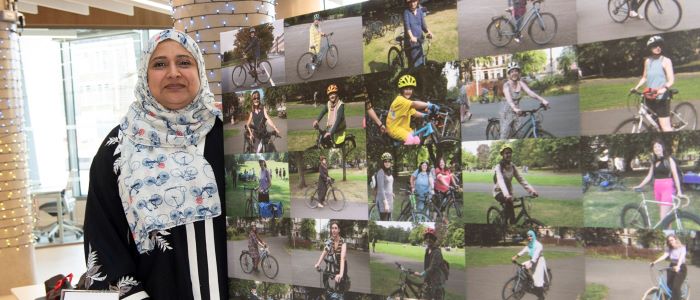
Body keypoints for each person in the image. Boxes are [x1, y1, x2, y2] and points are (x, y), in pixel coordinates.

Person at [83, 29, 227, 299]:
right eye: (159, 64)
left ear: (200, 71)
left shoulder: (231, 136)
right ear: (145, 75)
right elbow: (103, 241)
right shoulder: (118, 147)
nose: (173, 72)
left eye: (184, 62)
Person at [633, 139, 684, 224]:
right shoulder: (654, 161)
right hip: (657, 188)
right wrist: (640, 185)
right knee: (666, 217)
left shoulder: (669, 159)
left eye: (659, 146)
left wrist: (679, 191)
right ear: (653, 149)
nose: (657, 148)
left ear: (662, 147)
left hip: (668, 188)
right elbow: (649, 176)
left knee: (663, 217)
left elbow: (675, 175)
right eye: (655, 147)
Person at [631, 36, 675, 132]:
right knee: (655, 125)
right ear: (650, 48)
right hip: (649, 97)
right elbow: (644, 77)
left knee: (665, 128)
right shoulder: (647, 61)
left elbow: (671, 80)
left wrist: (663, 89)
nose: (658, 47)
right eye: (655, 46)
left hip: (662, 98)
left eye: (660, 45)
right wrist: (636, 87)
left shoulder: (666, 61)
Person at [500, 62, 550, 139]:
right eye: (512, 71)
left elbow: (530, 92)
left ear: (519, 73)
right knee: (505, 135)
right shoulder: (506, 85)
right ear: (509, 74)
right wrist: (514, 108)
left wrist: (542, 100)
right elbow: (509, 100)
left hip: (518, 112)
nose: (514, 73)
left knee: (520, 134)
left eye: (516, 71)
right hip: (507, 112)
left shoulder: (520, 83)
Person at [386, 75, 440, 145]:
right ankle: (402, 154)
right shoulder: (400, 100)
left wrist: (424, 115)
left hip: (403, 128)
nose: (408, 91)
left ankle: (407, 152)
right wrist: (429, 105)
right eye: (406, 89)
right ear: (401, 90)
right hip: (394, 129)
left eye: (410, 89)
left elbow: (414, 113)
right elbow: (414, 104)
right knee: (410, 139)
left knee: (417, 140)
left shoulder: (406, 102)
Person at [493, 144, 538, 224]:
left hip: (508, 194)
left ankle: (507, 220)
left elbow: (521, 179)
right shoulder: (498, 167)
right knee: (511, 215)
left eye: (510, 152)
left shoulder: (512, 166)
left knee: (510, 210)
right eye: (506, 153)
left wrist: (532, 191)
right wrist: (506, 195)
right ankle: (506, 224)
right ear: (502, 155)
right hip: (499, 192)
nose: (508, 154)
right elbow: (500, 180)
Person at [511, 230, 549, 300]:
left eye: (531, 235)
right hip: (532, 260)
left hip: (539, 261)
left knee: (537, 279)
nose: (529, 237)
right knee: (521, 266)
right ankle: (525, 281)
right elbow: (523, 251)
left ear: (534, 236)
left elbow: (536, 255)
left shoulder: (539, 245)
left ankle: (541, 297)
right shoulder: (530, 245)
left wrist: (531, 263)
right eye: (528, 236)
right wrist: (515, 257)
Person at [314, 221, 349, 292]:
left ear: (339, 230)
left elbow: (342, 258)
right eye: (332, 228)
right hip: (333, 263)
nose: (334, 230)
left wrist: (341, 274)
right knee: (325, 276)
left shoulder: (343, 242)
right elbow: (324, 252)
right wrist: (318, 263)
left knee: (340, 285)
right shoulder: (330, 240)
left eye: (336, 228)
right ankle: (330, 292)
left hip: (342, 265)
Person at [651, 234, 687, 300]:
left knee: (676, 287)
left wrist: (678, 266)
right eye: (669, 241)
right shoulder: (669, 248)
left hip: (681, 267)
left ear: (675, 239)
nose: (670, 242)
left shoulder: (682, 247)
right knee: (669, 285)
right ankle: (673, 297)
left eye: (672, 240)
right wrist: (654, 262)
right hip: (672, 266)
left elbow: (681, 258)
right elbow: (664, 256)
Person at [413, 228, 446, 300]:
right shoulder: (427, 250)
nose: (428, 239)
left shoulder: (437, 252)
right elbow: (427, 266)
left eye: (430, 237)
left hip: (436, 284)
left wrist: (421, 274)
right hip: (428, 282)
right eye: (426, 237)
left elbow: (432, 267)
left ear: (434, 239)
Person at [403, 0, 433, 67]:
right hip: (411, 41)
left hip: (419, 39)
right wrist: (411, 37)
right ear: (408, 3)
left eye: (414, 1)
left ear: (417, 2)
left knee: (422, 58)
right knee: (415, 63)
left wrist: (429, 32)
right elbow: (407, 27)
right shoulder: (406, 12)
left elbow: (423, 25)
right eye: (410, 2)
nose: (412, 4)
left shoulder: (420, 11)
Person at [376, 152, 395, 220]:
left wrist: (391, 193)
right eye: (385, 161)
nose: (387, 163)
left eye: (389, 161)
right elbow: (381, 189)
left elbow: (388, 185)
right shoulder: (381, 172)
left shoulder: (389, 171)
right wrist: (385, 203)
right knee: (384, 220)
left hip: (390, 198)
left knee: (389, 219)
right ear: (382, 162)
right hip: (383, 200)